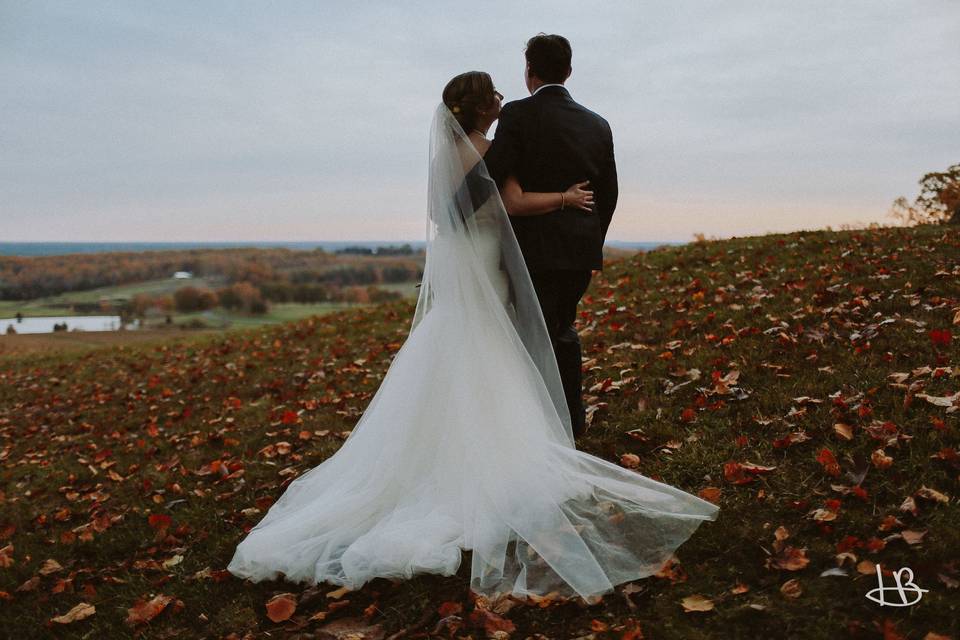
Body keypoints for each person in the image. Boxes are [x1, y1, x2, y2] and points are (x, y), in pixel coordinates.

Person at [226, 69, 719, 605]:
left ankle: (435, 447)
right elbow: (510, 203)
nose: (504, 100)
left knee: (452, 339)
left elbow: (449, 211)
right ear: (484, 107)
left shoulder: (444, 156)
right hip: (483, 258)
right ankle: (488, 458)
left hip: (456, 257)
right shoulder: (489, 147)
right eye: (497, 96)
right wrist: (564, 198)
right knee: (487, 343)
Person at [485, 34, 617, 438]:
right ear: (569, 71)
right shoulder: (597, 123)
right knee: (562, 329)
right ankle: (569, 422)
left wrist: (453, 212)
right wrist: (588, 238)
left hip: (532, 251)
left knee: (535, 336)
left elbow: (491, 173)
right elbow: (608, 193)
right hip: (578, 251)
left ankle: (540, 429)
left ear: (529, 71)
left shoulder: (518, 115)